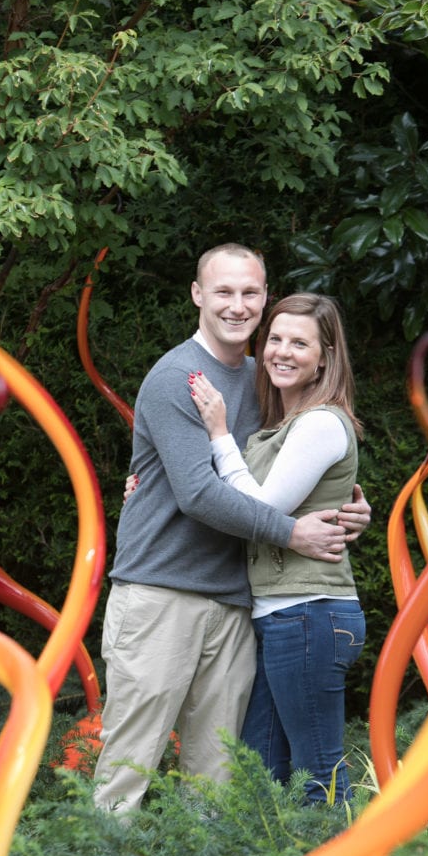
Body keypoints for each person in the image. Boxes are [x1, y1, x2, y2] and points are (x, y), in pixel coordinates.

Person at [93, 245, 370, 815]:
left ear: (265, 299)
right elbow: (198, 493)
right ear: (198, 295)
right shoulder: (177, 377)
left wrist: (346, 510)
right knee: (127, 770)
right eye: (223, 292)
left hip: (236, 603)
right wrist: (292, 534)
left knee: (216, 779)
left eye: (249, 293)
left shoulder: (265, 379)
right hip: (161, 595)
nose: (237, 306)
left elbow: (282, 476)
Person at [188, 292, 365, 803]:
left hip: (309, 614)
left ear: (325, 358)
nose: (282, 352)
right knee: (263, 771)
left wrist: (219, 433)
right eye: (276, 339)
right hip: (283, 616)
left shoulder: (319, 422)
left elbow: (261, 509)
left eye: (300, 343)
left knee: (318, 773)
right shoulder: (285, 425)